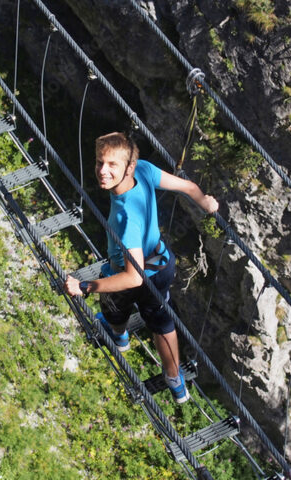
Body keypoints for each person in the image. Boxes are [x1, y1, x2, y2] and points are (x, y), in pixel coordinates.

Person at [64, 132, 219, 403]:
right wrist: (205, 202)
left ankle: (120, 338)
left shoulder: (126, 218)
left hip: (130, 274)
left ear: (128, 166)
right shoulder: (144, 170)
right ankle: (175, 380)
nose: (103, 171)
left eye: (112, 165)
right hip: (161, 265)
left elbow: (133, 278)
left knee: (113, 306)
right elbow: (186, 186)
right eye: (100, 162)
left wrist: (85, 286)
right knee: (161, 321)